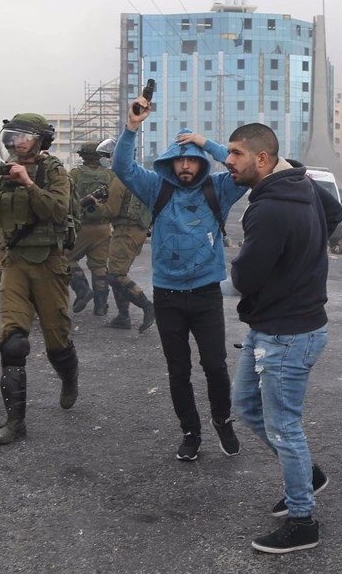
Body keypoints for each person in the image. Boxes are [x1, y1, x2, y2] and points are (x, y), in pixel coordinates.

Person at [226, 122, 342, 554]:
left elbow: (247, 275)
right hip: (271, 325)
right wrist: (302, 259)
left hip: (289, 335)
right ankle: (308, 476)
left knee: (284, 427)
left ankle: (302, 520)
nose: (228, 161)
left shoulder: (270, 208)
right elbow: (335, 214)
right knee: (246, 405)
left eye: (236, 153)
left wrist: (232, 271)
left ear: (262, 159)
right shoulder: (303, 184)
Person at [111, 96, 248, 462]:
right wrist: (132, 127)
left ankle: (222, 421)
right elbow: (122, 166)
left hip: (206, 295)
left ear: (201, 162)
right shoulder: (157, 187)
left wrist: (206, 143)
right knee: (178, 370)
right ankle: (191, 431)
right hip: (168, 296)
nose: (186, 165)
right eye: (180, 159)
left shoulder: (219, 188)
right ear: (170, 163)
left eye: (192, 159)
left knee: (216, 365)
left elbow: (246, 169)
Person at [0, 113, 80, 445]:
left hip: (49, 262)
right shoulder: (0, 174)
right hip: (14, 263)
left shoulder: (54, 171)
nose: (17, 142)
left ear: (41, 140)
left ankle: (69, 377)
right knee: (13, 342)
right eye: (13, 136)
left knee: (57, 340)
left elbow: (58, 211)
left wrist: (29, 184)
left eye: (25, 136)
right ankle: (15, 423)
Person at [67, 141, 116, 316]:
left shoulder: (74, 174)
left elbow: (66, 199)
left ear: (83, 156)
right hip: (103, 227)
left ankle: (82, 290)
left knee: (65, 260)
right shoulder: (110, 176)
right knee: (100, 266)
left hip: (82, 227)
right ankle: (101, 305)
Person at [103, 174, 156, 333]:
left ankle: (147, 306)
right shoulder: (140, 177)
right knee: (116, 272)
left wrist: (96, 205)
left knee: (115, 275)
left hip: (125, 231)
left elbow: (111, 211)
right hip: (139, 230)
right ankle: (123, 316)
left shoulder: (121, 179)